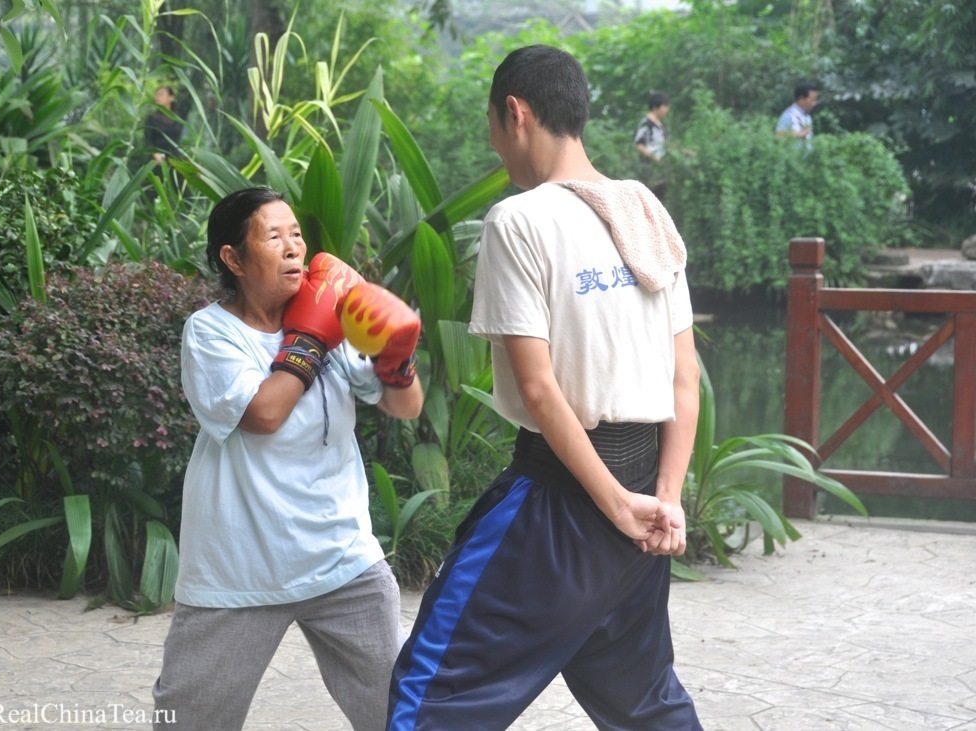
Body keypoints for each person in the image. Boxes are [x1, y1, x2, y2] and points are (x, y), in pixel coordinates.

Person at [387, 45, 703, 730]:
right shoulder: (645, 208)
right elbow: (685, 377)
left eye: (495, 134)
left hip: (563, 500)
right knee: (642, 700)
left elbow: (539, 388)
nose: (499, 152)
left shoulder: (519, 219)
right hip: (643, 502)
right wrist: (663, 499)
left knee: (429, 694)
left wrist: (616, 503)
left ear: (517, 113)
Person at [153, 187, 424, 731]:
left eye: (297, 234)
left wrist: (397, 364)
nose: (294, 248)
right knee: (191, 722)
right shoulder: (210, 332)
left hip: (342, 558)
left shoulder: (330, 315)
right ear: (234, 258)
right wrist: (310, 338)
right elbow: (263, 414)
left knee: (401, 714)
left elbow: (406, 407)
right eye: (273, 237)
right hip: (239, 569)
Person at [634, 90, 671, 200]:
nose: (666, 110)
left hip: (661, 168)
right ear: (656, 106)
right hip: (651, 168)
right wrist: (654, 158)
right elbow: (639, 144)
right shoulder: (647, 123)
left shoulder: (659, 124)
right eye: (664, 106)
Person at [145, 85, 183, 164]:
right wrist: (155, 154)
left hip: (175, 159)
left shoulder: (177, 118)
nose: (157, 98)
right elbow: (148, 141)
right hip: (157, 160)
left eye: (161, 95)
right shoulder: (152, 118)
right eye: (156, 95)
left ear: (171, 98)